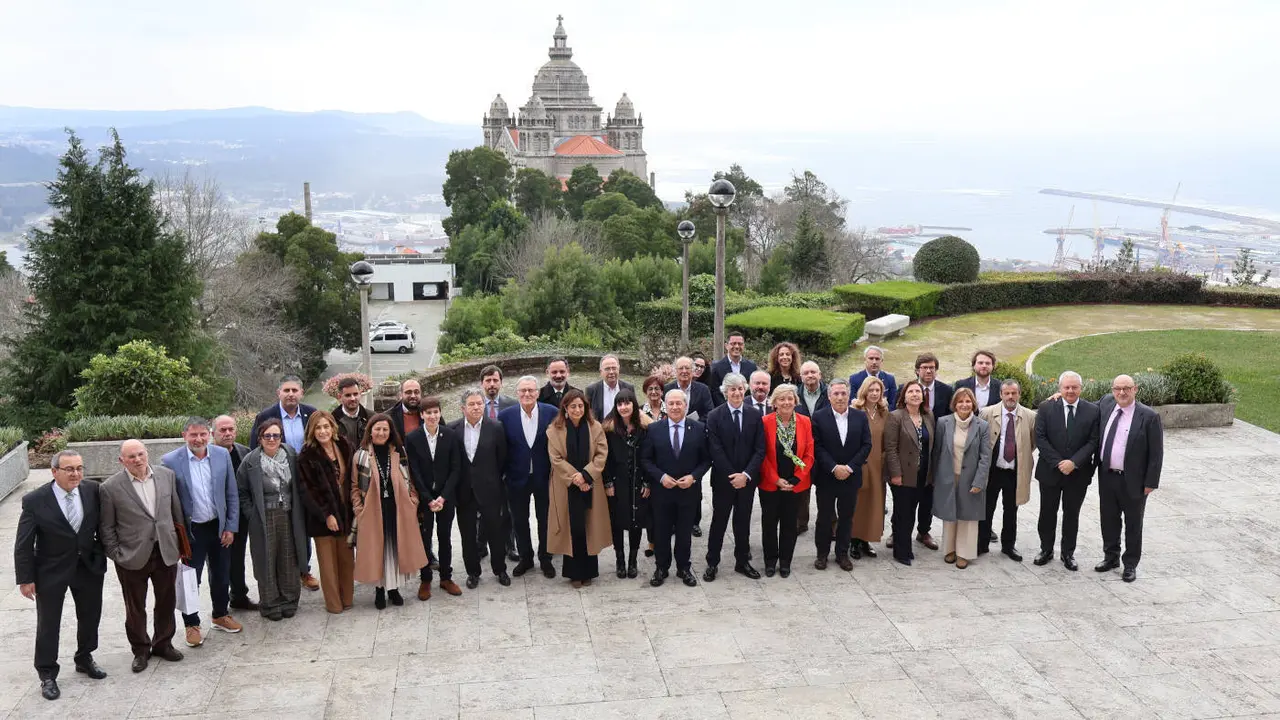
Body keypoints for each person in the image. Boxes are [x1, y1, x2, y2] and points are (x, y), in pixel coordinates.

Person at [15, 450, 107, 701]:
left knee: (90, 615)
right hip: (50, 570)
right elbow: (23, 543)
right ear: (54, 471)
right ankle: (47, 673)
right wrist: (25, 578)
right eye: (69, 469)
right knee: (49, 623)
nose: (76, 473)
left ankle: (84, 657)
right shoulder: (35, 500)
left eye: (79, 468)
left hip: (87, 566)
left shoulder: (92, 491)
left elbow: (101, 525)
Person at [99, 440, 186, 673]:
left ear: (147, 454)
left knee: (166, 600)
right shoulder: (110, 487)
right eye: (131, 457)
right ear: (121, 460)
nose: (137, 460)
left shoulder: (167, 476)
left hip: (165, 550)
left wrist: (180, 544)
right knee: (135, 606)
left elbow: (176, 511)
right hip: (132, 556)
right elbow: (106, 527)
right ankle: (140, 650)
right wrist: (117, 554)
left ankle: (163, 643)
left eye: (140, 454)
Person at [161, 417, 242, 648]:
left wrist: (230, 526)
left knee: (221, 573)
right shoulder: (169, 461)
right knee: (189, 580)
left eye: (203, 434)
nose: (198, 439)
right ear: (184, 435)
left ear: (209, 435)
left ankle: (219, 614)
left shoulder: (221, 455)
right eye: (193, 435)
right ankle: (191, 624)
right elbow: (167, 501)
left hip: (218, 526)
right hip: (191, 531)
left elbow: (231, 493)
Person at [351, 414, 429, 609]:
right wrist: (359, 509)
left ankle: (394, 589)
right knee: (378, 550)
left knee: (395, 549)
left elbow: (409, 478)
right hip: (372, 510)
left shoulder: (398, 452)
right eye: (377, 429)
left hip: (397, 508)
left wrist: (413, 500)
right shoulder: (360, 455)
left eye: (385, 429)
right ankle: (379, 590)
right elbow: (354, 486)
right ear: (370, 431)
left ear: (391, 432)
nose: (381, 433)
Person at [249, 374, 319, 591]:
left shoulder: (311, 413)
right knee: (279, 527)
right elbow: (254, 449)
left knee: (302, 525)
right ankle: (281, 572)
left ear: (301, 392)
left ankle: (304, 570)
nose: (290, 394)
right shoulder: (266, 416)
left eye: (294, 390)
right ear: (278, 393)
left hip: (306, 480)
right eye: (286, 390)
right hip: (276, 483)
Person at [236, 418, 309, 620]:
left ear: (281, 437)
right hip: (263, 516)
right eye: (267, 435)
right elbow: (241, 491)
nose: (271, 439)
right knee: (266, 560)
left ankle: (289, 599)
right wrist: (251, 514)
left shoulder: (291, 455)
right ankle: (269, 603)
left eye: (275, 435)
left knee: (288, 557)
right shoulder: (251, 461)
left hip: (288, 514)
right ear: (260, 438)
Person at [1095, 374, 1163, 582]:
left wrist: (1151, 483)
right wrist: (1058, 396)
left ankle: (1130, 564)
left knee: (1133, 523)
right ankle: (1111, 557)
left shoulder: (1149, 416)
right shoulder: (1106, 403)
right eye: (1117, 388)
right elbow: (1083, 407)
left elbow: (1156, 453)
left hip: (1134, 480)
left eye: (1126, 388)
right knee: (1108, 519)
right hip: (1107, 476)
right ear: (1112, 390)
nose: (1121, 393)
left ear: (1135, 389)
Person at [641, 388, 712, 587]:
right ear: (666, 405)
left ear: (685, 405)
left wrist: (693, 477)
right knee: (661, 531)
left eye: (678, 403)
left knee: (684, 532)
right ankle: (661, 567)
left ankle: (684, 568)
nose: (674, 407)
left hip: (688, 492)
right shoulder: (655, 429)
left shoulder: (698, 428)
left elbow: (706, 460)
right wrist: (660, 477)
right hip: (662, 492)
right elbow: (646, 460)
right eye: (670, 403)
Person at [1033, 370, 1100, 572]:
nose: (1070, 390)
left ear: (1081, 388)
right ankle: (1046, 549)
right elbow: (1040, 438)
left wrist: (1074, 462)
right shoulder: (1045, 408)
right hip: (1050, 472)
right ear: (1059, 388)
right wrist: (1059, 462)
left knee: (1072, 514)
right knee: (1047, 513)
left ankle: (1067, 553)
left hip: (1078, 474)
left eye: (1074, 387)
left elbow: (1093, 441)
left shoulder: (1092, 410)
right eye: (1066, 387)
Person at [447, 389, 512, 588]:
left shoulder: (496, 427)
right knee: (467, 536)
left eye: (479, 403)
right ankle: (473, 572)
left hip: (490, 490)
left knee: (496, 532)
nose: (476, 407)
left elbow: (502, 459)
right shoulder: (452, 429)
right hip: (464, 492)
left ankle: (500, 569)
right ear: (462, 408)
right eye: (472, 404)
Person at [547, 389, 611, 588]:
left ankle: (589, 572)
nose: (577, 409)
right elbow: (555, 458)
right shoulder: (554, 429)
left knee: (588, 528)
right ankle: (574, 573)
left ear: (586, 408)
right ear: (565, 408)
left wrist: (585, 475)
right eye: (573, 406)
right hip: (566, 486)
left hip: (590, 483)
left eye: (580, 406)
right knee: (572, 528)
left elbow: (601, 453)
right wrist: (576, 478)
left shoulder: (595, 427)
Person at [704, 372, 765, 581]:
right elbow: (715, 450)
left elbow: (760, 449)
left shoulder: (755, 415)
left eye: (740, 388)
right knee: (719, 522)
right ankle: (712, 562)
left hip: (747, 481)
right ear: (725, 392)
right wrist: (733, 475)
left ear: (744, 389)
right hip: (723, 481)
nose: (737, 392)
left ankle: (742, 561)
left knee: (743, 521)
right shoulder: (714, 416)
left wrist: (746, 475)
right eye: (732, 389)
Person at [498, 376, 559, 579]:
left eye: (531, 390)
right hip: (516, 479)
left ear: (538, 392)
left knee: (545, 519)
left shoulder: (552, 413)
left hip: (544, 476)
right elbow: (501, 448)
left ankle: (546, 558)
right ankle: (526, 558)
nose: (527, 394)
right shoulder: (505, 416)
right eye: (523, 391)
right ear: (517, 393)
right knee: (519, 520)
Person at [297, 410, 356, 613]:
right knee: (328, 564)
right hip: (323, 518)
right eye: (318, 427)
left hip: (346, 513)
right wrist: (327, 515)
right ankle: (334, 605)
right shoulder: (306, 455)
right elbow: (307, 491)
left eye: (326, 426)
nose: (323, 431)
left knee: (347, 559)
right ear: (312, 431)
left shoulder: (344, 445)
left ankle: (347, 599)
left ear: (333, 427)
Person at [404, 395, 463, 598]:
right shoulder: (412, 438)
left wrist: (443, 497)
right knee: (424, 539)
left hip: (446, 498)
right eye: (428, 413)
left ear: (440, 413)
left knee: (445, 538)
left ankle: (446, 577)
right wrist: (428, 498)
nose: (432, 416)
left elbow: (456, 469)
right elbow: (414, 472)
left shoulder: (450, 435)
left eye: (436, 412)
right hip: (424, 498)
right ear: (421, 415)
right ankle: (426, 578)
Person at [811, 379, 873, 571]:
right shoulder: (819, 417)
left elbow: (866, 445)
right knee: (824, 517)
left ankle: (842, 554)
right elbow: (817, 446)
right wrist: (833, 467)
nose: (839, 397)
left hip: (851, 477)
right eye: (835, 394)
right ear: (829, 396)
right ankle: (822, 554)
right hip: (827, 477)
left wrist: (850, 467)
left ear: (849, 395)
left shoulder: (860, 417)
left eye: (843, 393)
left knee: (847, 517)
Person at [931, 388, 992, 569]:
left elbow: (985, 456)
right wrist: (935, 477)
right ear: (954, 405)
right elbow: (937, 451)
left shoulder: (982, 426)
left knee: (968, 516)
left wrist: (979, 481)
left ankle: (964, 553)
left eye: (968, 402)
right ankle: (949, 549)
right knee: (950, 514)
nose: (964, 405)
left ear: (973, 404)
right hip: (948, 476)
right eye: (960, 402)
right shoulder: (943, 422)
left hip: (971, 478)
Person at [758, 384, 814, 578]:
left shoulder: (805, 422)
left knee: (790, 524)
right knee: (769, 523)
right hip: (770, 483)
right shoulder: (765, 422)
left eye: (790, 398)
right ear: (774, 402)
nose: (786, 402)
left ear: (795, 401)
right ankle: (770, 561)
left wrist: (796, 478)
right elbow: (761, 454)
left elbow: (809, 454)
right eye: (781, 399)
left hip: (795, 484)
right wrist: (776, 479)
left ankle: (785, 562)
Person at [977, 380, 1036, 561]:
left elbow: (1031, 443)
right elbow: (978, 440)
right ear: (1001, 395)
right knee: (986, 508)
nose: (1010, 397)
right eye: (1007, 393)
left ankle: (1008, 546)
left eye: (1014, 393)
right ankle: (982, 544)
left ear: (1019, 394)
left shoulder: (1030, 416)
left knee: (1011, 510)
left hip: (1014, 472)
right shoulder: (986, 413)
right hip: (993, 471)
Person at [884, 380, 935, 566]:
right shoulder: (895, 416)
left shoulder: (928, 416)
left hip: (923, 474)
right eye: (910, 391)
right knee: (903, 513)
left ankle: (906, 545)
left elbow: (932, 446)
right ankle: (901, 551)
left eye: (918, 391)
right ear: (903, 396)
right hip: (902, 474)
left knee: (912, 511)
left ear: (923, 396)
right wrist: (896, 474)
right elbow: (890, 448)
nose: (915, 394)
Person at [603, 388, 653, 579]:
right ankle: (620, 560)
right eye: (620, 404)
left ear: (634, 405)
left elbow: (649, 457)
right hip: (617, 483)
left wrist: (647, 482)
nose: (624, 407)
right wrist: (608, 482)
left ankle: (632, 560)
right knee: (617, 522)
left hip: (638, 482)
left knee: (636, 522)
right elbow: (605, 458)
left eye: (627, 403)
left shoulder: (645, 429)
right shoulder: (609, 430)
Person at [212, 415, 258, 611]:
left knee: (237, 558)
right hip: (217, 518)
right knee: (219, 563)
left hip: (241, 516)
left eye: (231, 429)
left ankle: (239, 596)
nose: (228, 433)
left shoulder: (244, 453)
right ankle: (220, 607)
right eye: (223, 430)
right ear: (213, 432)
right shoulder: (207, 456)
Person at [913, 353, 952, 551]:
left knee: (928, 493)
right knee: (907, 493)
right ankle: (898, 530)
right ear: (917, 370)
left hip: (936, 451)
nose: (928, 371)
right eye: (924, 367)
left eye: (932, 367)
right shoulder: (908, 389)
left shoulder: (946, 390)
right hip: (912, 450)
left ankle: (923, 531)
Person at [479, 364, 518, 562]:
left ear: (501, 383)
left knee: (508, 509)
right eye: (488, 381)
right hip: (482, 468)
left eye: (495, 380)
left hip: (506, 466)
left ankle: (510, 545)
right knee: (482, 510)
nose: (492, 384)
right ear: (482, 383)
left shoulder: (512, 404)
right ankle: (481, 545)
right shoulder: (475, 405)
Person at [851, 376, 889, 559]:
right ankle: (853, 541)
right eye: (871, 390)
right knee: (858, 503)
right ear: (864, 391)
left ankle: (866, 539)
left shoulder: (884, 412)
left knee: (874, 504)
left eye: (878, 391)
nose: (874, 394)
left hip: (878, 465)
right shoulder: (855, 410)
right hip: (860, 463)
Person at [793, 360, 829, 534]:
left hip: (825, 447)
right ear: (801, 377)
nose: (810, 376)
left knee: (826, 489)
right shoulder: (795, 395)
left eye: (813, 372)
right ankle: (801, 522)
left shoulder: (830, 393)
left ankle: (830, 523)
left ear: (820, 374)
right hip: (802, 449)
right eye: (806, 373)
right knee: (802, 489)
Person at [708, 331, 758, 406]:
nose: (737, 346)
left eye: (740, 344)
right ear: (726, 346)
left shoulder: (751, 367)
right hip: (723, 410)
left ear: (743, 346)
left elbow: (752, 390)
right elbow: (715, 392)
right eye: (733, 343)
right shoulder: (716, 367)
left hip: (746, 409)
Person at [585, 354, 634, 423]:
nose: (611, 372)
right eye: (607, 369)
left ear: (619, 369)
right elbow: (587, 414)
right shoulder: (591, 390)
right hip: (601, 431)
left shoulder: (628, 388)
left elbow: (634, 411)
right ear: (601, 372)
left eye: (614, 368)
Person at [666, 356, 714, 421]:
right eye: (681, 368)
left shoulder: (703, 389)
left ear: (692, 370)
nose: (684, 371)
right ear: (675, 371)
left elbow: (709, 413)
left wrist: (695, 426)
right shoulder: (667, 389)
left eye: (687, 368)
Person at [849, 345, 898, 410]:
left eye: (877, 359)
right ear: (865, 360)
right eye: (871, 358)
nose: (874, 362)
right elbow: (850, 402)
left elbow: (893, 404)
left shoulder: (889, 379)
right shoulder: (854, 379)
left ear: (882, 361)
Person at [333, 376, 371, 449]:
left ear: (360, 394)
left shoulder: (371, 417)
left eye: (355, 394)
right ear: (339, 397)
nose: (353, 398)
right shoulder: (332, 420)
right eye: (348, 395)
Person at [387, 378, 424, 445]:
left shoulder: (429, 412)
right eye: (408, 392)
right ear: (400, 395)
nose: (413, 396)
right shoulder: (389, 416)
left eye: (416, 392)